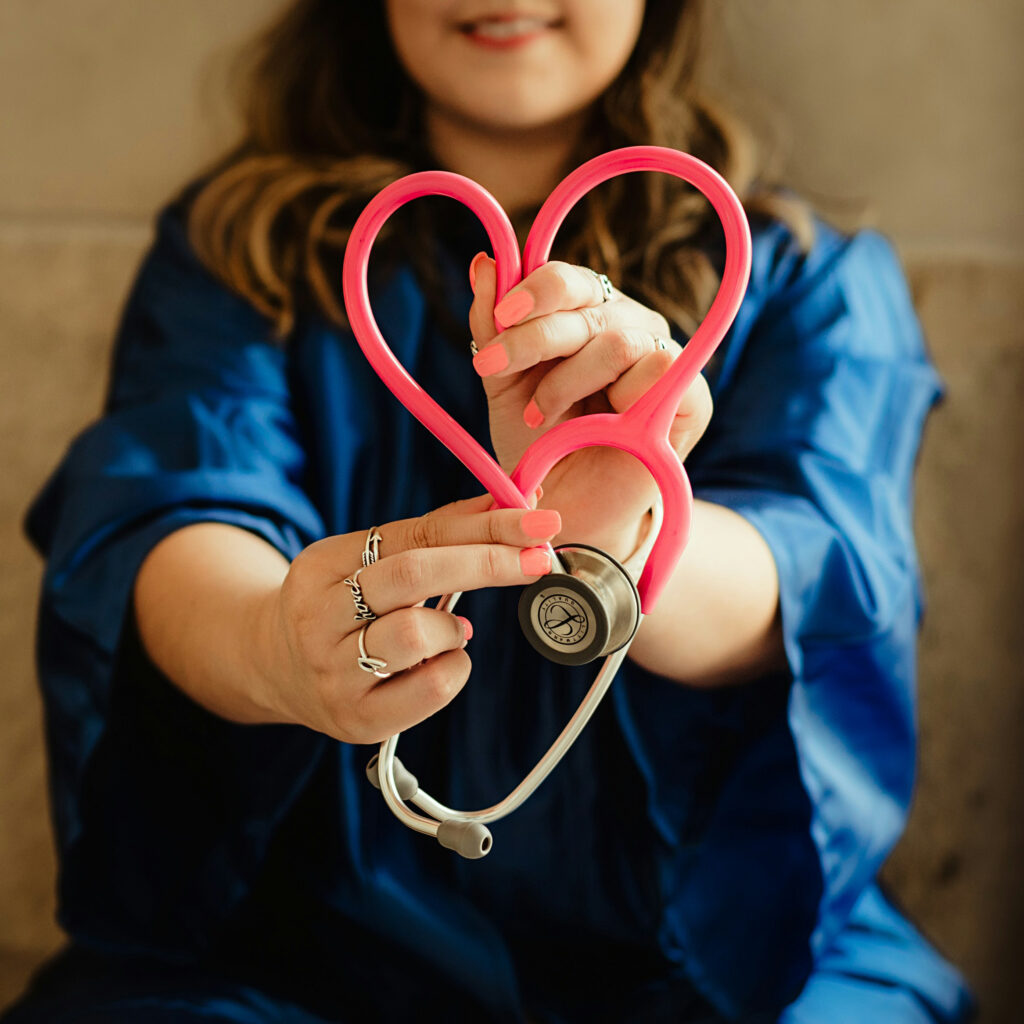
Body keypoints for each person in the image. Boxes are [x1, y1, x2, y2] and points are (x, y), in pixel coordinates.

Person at [4, 1, 975, 1021]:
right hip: (297, 950)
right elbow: (166, 508)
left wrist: (619, 541)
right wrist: (272, 646)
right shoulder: (233, 253)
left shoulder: (803, 276)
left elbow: (820, 571)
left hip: (731, 948)